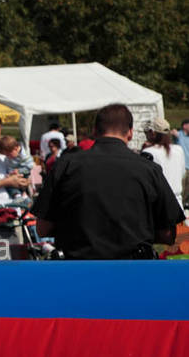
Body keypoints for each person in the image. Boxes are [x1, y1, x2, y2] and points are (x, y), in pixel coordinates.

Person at [32, 104, 183, 259]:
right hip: (133, 271)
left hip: (78, 269)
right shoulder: (149, 170)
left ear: (94, 131)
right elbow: (168, 234)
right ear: (130, 133)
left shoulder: (66, 165)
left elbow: (43, 228)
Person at [141, 118, 185, 212]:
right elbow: (182, 173)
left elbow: (145, 180)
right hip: (178, 203)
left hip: (159, 205)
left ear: (153, 133)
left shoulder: (148, 152)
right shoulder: (179, 150)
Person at [0, 134, 33, 203]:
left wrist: (19, 171)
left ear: (16, 148)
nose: (8, 157)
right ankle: (21, 196)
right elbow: (9, 166)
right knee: (9, 183)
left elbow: (30, 166)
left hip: (24, 173)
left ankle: (19, 195)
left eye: (8, 154)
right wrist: (10, 173)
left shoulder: (24, 156)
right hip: (15, 173)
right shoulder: (11, 156)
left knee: (12, 184)